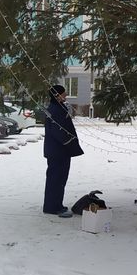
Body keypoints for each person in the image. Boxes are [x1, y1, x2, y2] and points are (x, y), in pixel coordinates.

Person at [43, 84, 84, 217]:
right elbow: (58, 131)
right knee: (56, 179)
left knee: (59, 179)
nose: (65, 95)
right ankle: (52, 207)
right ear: (57, 95)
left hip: (58, 151)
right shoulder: (55, 110)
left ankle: (55, 204)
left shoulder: (57, 108)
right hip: (58, 151)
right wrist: (68, 143)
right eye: (63, 94)